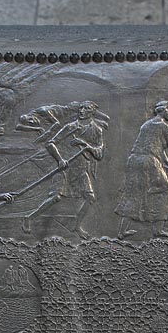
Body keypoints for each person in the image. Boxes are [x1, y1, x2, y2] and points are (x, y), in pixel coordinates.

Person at [114, 100, 168, 238]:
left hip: (135, 160)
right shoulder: (165, 127)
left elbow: (155, 145)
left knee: (134, 193)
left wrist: (166, 162)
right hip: (149, 162)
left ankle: (121, 231)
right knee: (164, 191)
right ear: (163, 110)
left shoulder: (146, 125)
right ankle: (158, 229)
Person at [21, 101, 105, 238]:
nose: (82, 110)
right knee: (55, 197)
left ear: (92, 112)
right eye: (81, 108)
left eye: (86, 109)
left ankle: (77, 226)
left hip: (81, 168)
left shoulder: (97, 130)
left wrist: (85, 144)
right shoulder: (70, 127)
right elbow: (50, 143)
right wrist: (59, 159)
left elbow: (99, 154)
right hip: (66, 167)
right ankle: (28, 218)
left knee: (90, 198)